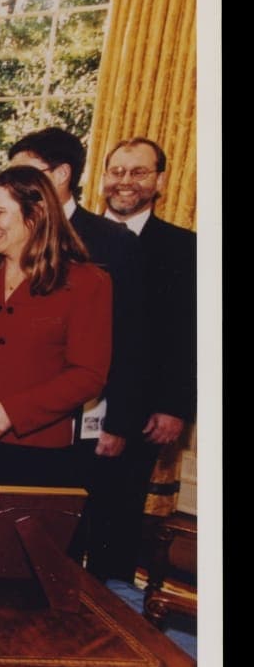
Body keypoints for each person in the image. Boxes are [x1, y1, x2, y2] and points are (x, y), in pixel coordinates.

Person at [0, 166, 113, 489]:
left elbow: (88, 375)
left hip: (36, 456)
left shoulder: (87, 284)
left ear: (37, 213)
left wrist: (11, 412)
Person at [90, 136, 197, 581]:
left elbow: (189, 336)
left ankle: (109, 616)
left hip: (140, 410)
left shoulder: (185, 249)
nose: (125, 182)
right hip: (70, 404)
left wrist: (175, 407)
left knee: (118, 517)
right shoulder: (76, 237)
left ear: (160, 180)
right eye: (116, 171)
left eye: (138, 172)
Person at [9, 127, 144, 457]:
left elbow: (133, 337)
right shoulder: (8, 232)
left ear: (60, 174)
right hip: (13, 411)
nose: (12, 186)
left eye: (22, 174)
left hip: (86, 414)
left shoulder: (114, 242)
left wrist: (120, 423)